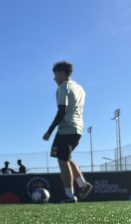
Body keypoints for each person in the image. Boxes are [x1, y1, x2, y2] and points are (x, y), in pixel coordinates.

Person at [42, 61, 93, 203]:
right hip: (78, 128)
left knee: (62, 160)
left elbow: (62, 110)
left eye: (55, 75)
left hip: (66, 128)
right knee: (66, 157)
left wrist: (49, 131)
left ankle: (69, 196)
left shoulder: (63, 87)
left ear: (62, 73)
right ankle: (82, 185)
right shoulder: (80, 88)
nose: (54, 79)